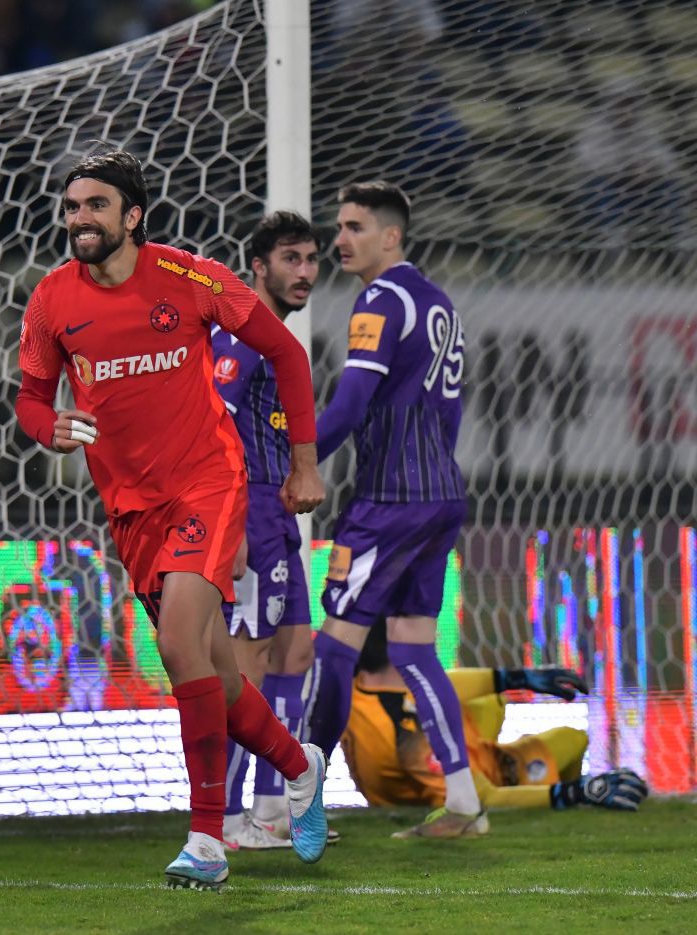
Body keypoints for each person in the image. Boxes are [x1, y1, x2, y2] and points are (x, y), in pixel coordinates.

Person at [15, 148, 328, 890]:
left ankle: (206, 837)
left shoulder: (188, 277)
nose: (79, 219)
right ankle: (296, 763)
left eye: (95, 205)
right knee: (214, 674)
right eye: (71, 207)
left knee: (177, 639)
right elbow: (29, 398)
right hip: (131, 508)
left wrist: (304, 463)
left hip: (208, 486)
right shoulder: (53, 299)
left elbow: (285, 352)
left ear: (133, 216)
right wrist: (45, 426)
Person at [302, 181, 481, 840]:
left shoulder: (378, 300)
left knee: (334, 643)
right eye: (339, 227)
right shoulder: (439, 302)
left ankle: (305, 792)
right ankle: (463, 803)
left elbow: (348, 409)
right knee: (412, 650)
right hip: (440, 495)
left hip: (389, 500)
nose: (340, 239)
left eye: (353, 227)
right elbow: (451, 407)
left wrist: (294, 464)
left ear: (391, 236)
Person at [209, 211, 322, 850]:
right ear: (259, 266)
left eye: (310, 259)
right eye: (290, 259)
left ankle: (273, 808)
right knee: (245, 666)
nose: (304, 271)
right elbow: (214, 422)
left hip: (276, 510)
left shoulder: (275, 337)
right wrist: (230, 524)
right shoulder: (242, 336)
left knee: (296, 652)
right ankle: (224, 818)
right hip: (246, 506)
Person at [342, 624, 649, 813]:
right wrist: (576, 792)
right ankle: (555, 807)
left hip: (411, 777)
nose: (433, 631)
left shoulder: (358, 686)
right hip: (486, 778)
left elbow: (435, 689)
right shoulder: (414, 738)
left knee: (490, 701)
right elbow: (480, 799)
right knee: (572, 738)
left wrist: (513, 678)